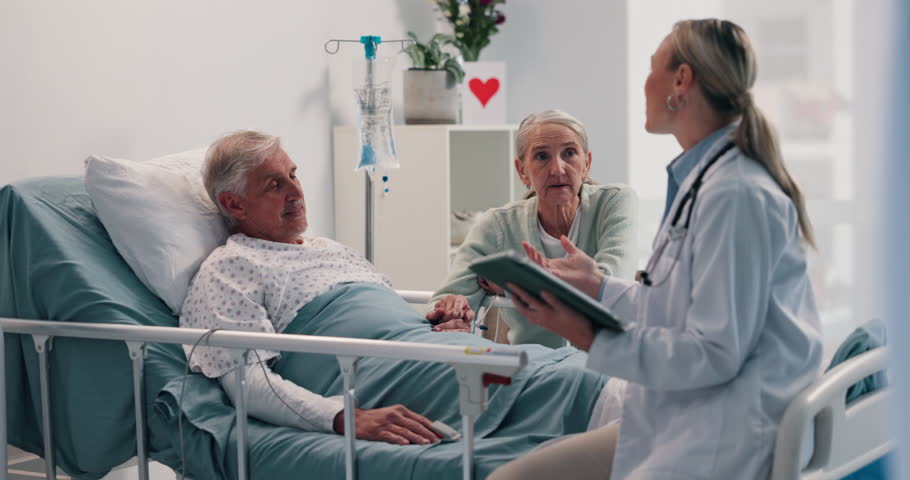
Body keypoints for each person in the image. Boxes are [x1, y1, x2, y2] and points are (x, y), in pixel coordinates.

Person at [490, 19, 823, 480]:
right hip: (692, 412)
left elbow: (713, 353)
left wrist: (589, 336)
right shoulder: (704, 181)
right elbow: (679, 307)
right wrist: (599, 286)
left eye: (652, 69)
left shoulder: (734, 194)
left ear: (681, 81)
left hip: (725, 430)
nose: (645, 83)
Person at [180, 130, 605, 454]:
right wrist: (343, 416)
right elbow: (248, 383)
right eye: (275, 185)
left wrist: (440, 323)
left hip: (424, 350)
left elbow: (386, 324)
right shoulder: (230, 267)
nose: (297, 192)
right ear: (234, 204)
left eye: (293, 175)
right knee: (571, 384)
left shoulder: (327, 248)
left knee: (577, 368)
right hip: (380, 374)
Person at [428, 110, 638, 348]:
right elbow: (448, 297)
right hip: (532, 362)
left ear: (586, 164)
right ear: (522, 171)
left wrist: (514, 286)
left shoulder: (615, 201)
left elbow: (609, 288)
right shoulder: (498, 224)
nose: (557, 169)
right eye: (541, 156)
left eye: (569, 153)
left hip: (605, 359)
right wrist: (451, 312)